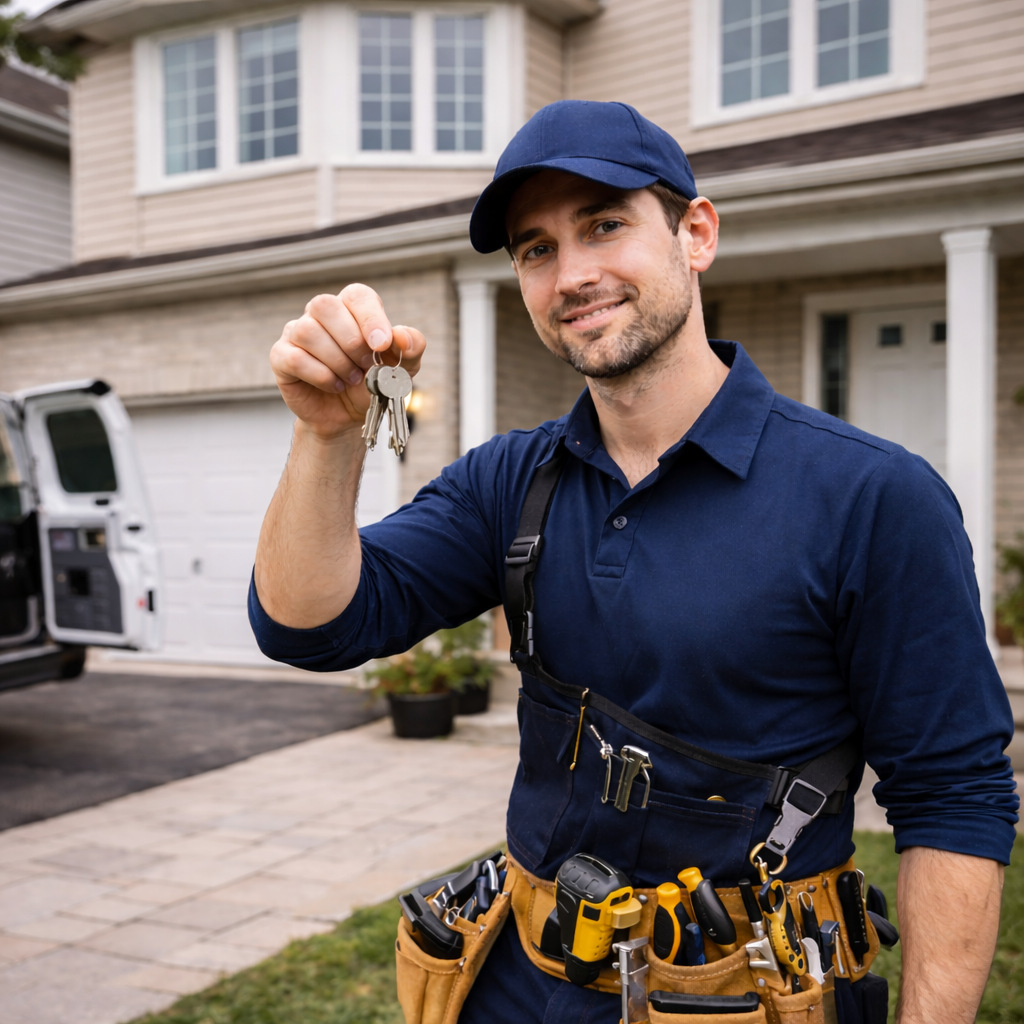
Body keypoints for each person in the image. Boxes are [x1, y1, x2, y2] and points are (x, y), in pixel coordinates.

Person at [250, 101, 1017, 1024]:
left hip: (748, 1000)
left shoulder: (872, 497)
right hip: (516, 983)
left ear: (696, 233)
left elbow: (954, 796)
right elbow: (312, 626)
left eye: (604, 224)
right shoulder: (509, 480)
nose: (572, 274)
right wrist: (328, 435)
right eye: (536, 249)